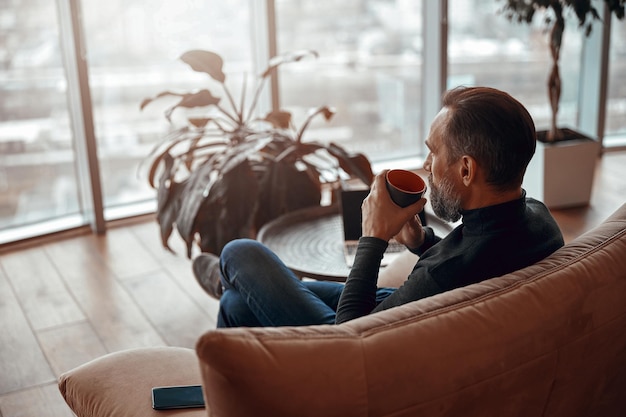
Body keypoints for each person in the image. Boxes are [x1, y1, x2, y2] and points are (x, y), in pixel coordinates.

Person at [193, 86, 564, 328]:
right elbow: (477, 262)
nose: (426, 164)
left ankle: (227, 276)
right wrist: (420, 242)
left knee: (240, 253)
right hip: (424, 314)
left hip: (366, 345)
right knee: (239, 306)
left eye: (433, 152)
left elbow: (351, 337)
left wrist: (372, 237)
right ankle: (233, 297)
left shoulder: (439, 277)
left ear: (466, 169)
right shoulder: (538, 218)